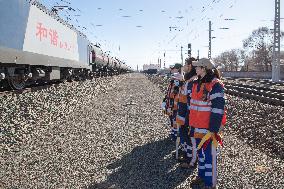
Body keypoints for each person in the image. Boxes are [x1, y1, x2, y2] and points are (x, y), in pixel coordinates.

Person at [189, 58, 226, 189]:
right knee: (200, 154)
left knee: (210, 156)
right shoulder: (196, 83)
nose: (195, 68)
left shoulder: (215, 85)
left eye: (197, 66)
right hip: (196, 125)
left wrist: (213, 129)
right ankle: (202, 176)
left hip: (208, 128)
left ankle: (210, 184)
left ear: (204, 68)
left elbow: (218, 110)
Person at [175, 57, 198, 167]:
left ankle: (190, 160)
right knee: (184, 136)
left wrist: (188, 117)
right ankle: (186, 155)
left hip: (188, 115)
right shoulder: (188, 79)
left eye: (185, 64)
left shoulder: (193, 80)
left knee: (189, 137)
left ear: (190, 66)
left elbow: (191, 100)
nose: (184, 66)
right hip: (183, 113)